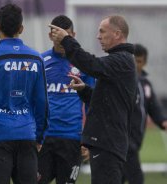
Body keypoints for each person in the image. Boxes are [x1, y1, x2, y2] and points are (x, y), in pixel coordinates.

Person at [49, 15, 137, 184]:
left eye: (102, 31)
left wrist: (67, 41)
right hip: (106, 143)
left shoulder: (121, 60)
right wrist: (85, 90)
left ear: (117, 34)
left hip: (108, 143)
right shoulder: (120, 60)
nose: (98, 36)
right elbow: (108, 101)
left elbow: (91, 64)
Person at [0, 4, 48, 184]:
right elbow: (42, 102)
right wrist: (40, 136)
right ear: (21, 29)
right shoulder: (36, 58)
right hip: (27, 135)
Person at [37, 15, 95, 184]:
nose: (62, 41)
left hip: (72, 138)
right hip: (44, 138)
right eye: (57, 36)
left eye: (65, 36)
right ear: (50, 36)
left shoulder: (84, 63)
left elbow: (92, 103)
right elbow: (33, 101)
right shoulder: (40, 61)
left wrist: (88, 139)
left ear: (73, 35)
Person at [122, 44, 167, 184]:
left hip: (136, 140)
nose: (136, 64)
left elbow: (154, 107)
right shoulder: (122, 82)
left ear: (145, 63)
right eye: (133, 60)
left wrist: (163, 121)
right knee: (137, 179)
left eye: (139, 61)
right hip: (124, 140)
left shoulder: (146, 84)